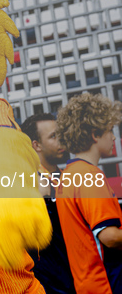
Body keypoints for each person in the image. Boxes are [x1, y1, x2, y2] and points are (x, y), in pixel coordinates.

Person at [55, 93, 122, 294]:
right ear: (95, 134)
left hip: (87, 285)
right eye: (109, 130)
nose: (113, 137)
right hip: (106, 283)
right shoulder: (89, 175)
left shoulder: (68, 175)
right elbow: (109, 236)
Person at [21, 113, 76, 294]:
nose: (62, 140)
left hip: (77, 273)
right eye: (53, 136)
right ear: (36, 145)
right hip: (51, 280)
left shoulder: (68, 175)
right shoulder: (30, 183)